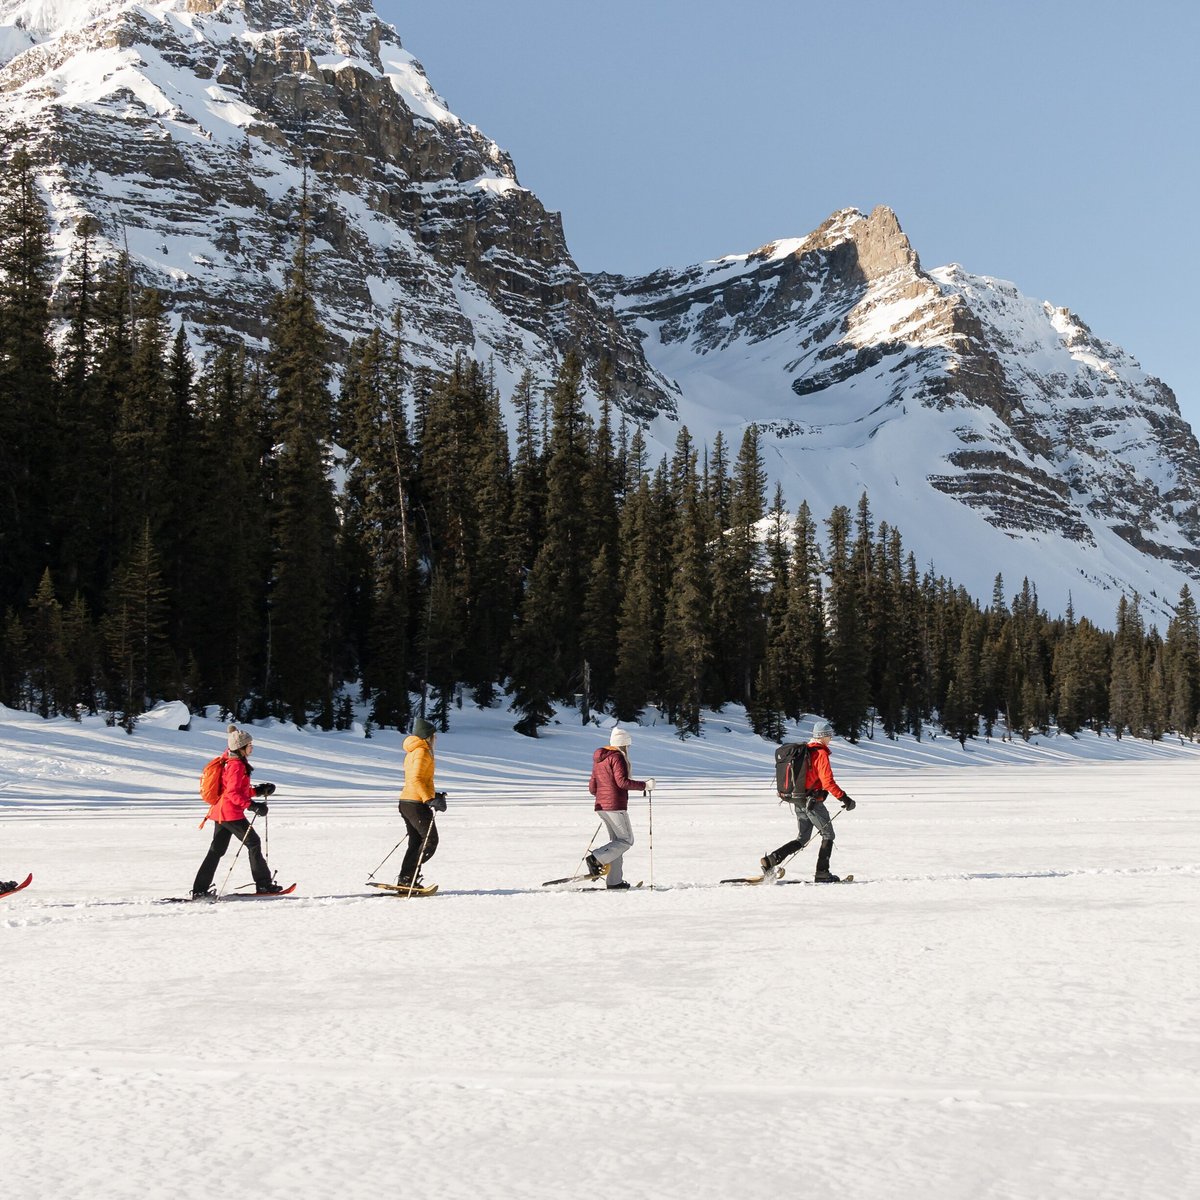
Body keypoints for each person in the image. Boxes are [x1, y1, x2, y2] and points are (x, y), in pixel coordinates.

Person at [191, 725, 281, 899]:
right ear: (241, 748)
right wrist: (252, 805)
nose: (252, 747)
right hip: (230, 813)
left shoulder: (231, 761)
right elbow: (233, 793)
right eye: (249, 745)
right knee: (253, 843)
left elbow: (237, 789)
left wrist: (258, 790)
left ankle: (199, 890)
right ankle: (263, 885)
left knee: (216, 851)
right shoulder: (236, 765)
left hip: (220, 812)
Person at [761, 719, 856, 883]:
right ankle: (822, 873)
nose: (831, 738)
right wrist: (845, 798)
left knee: (803, 838)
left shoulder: (806, 752)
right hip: (813, 802)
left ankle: (772, 859)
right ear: (823, 736)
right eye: (829, 735)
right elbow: (828, 782)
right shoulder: (820, 753)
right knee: (828, 834)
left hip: (799, 799)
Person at [586, 726, 655, 890]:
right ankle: (597, 858)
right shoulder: (617, 757)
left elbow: (592, 788)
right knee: (626, 840)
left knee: (616, 844)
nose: (628, 748)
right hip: (615, 806)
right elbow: (622, 782)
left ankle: (614, 881)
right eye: (628, 745)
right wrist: (645, 785)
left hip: (601, 806)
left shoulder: (600, 759)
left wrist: (604, 798)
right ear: (624, 744)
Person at [396, 717, 446, 889]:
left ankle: (406, 878)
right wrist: (429, 799)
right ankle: (409, 876)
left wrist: (434, 794)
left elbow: (418, 780)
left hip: (407, 801)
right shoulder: (422, 751)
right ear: (428, 737)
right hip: (415, 803)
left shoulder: (414, 751)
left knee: (417, 842)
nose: (436, 739)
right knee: (430, 841)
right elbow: (416, 779)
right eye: (434, 736)